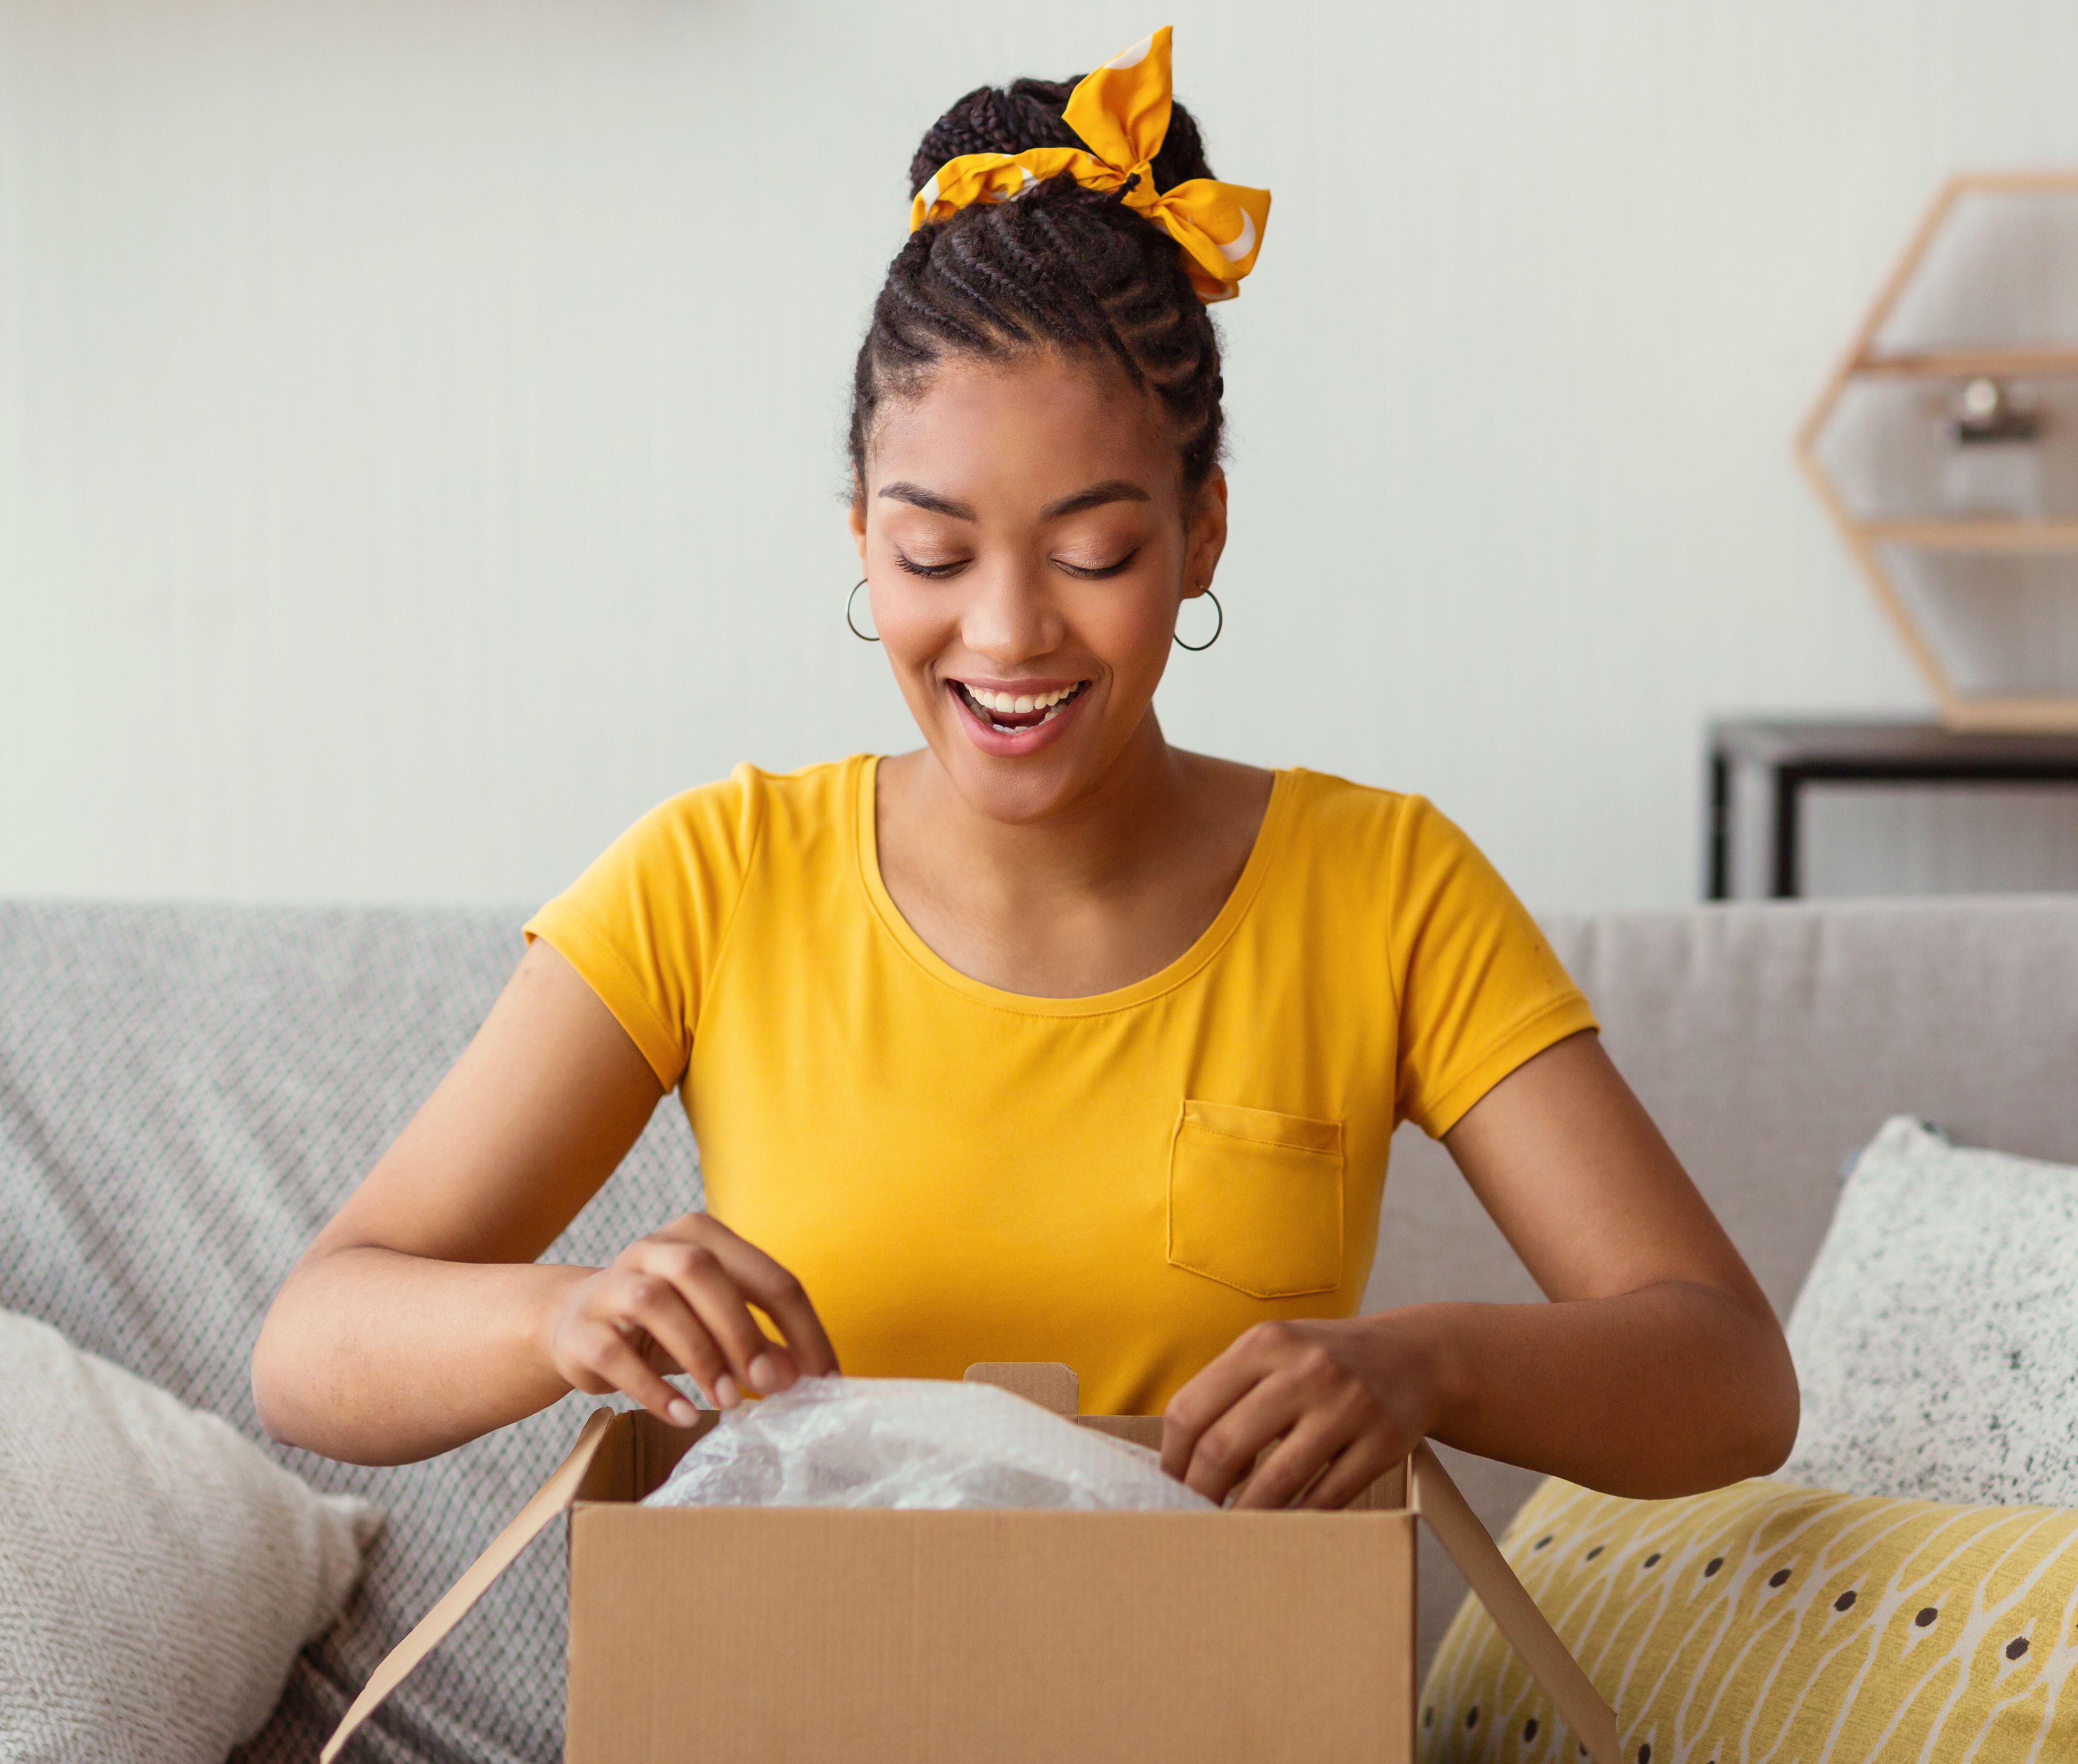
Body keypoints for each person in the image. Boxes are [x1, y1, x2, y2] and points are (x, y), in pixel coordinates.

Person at [252, 28, 1796, 1511]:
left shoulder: (1386, 887)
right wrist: (564, 1317)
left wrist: (1428, 1362)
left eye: (1093, 549)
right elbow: (313, 1344)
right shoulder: (712, 876)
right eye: (933, 550)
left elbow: (1731, 1380)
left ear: (1201, 535)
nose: (1004, 632)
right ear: (860, 534)